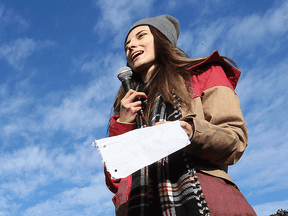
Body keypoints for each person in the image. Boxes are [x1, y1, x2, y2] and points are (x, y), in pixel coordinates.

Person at [105, 14, 257, 216]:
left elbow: (234, 140)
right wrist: (123, 122)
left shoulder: (204, 74)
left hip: (206, 204)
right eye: (127, 45)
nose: (131, 46)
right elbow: (115, 180)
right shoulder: (127, 107)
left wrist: (187, 132)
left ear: (162, 40)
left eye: (141, 36)